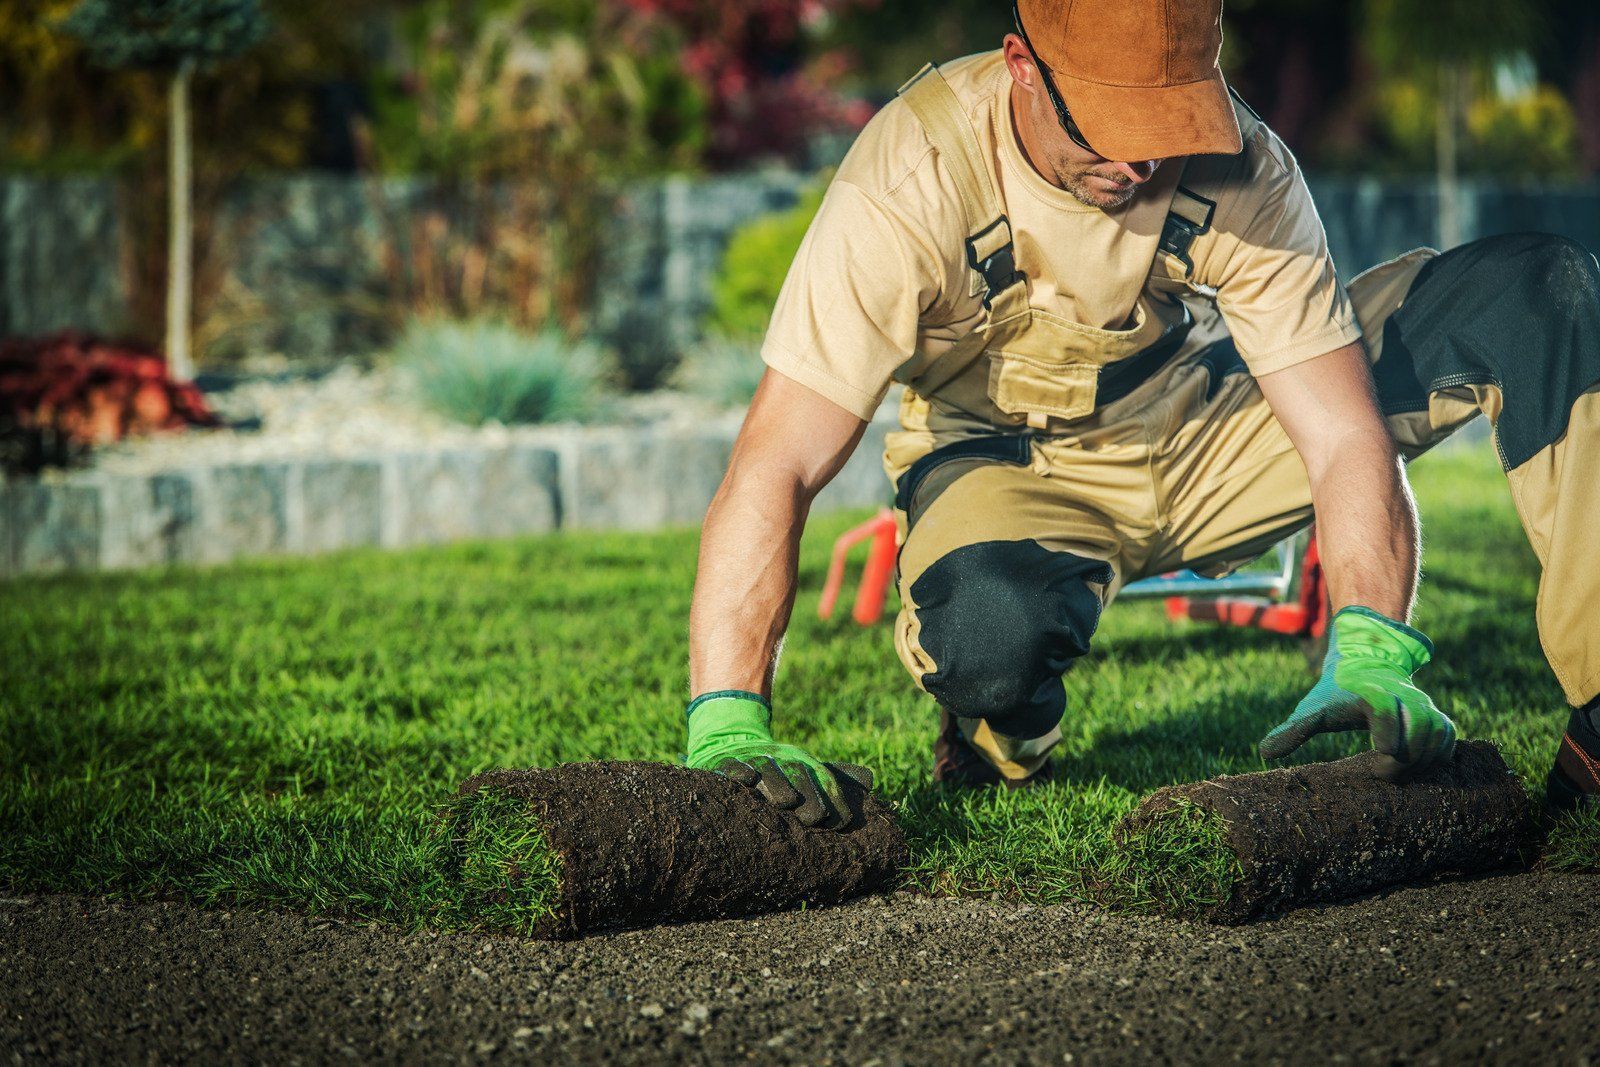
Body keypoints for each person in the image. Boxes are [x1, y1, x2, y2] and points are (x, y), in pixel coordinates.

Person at [681, 0, 1600, 828]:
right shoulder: (911, 175)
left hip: (1203, 421)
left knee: (1537, 291)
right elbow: (779, 461)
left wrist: (1368, 643)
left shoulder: (1247, 167)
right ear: (1020, 66)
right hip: (1010, 463)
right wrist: (728, 715)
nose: (1138, 161)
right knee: (990, 640)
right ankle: (1003, 732)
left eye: (1165, 124)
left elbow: (1341, 433)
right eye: (1112, 128)